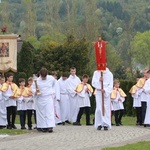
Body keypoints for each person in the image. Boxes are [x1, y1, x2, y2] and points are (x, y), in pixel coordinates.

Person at [31, 68, 55, 132]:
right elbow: (32, 88)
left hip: (48, 97)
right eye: (42, 76)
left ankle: (50, 126)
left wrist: (52, 92)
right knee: (41, 112)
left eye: (45, 77)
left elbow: (54, 86)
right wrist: (35, 92)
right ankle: (43, 126)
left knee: (49, 112)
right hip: (40, 98)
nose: (43, 78)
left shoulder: (51, 79)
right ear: (40, 75)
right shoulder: (36, 81)